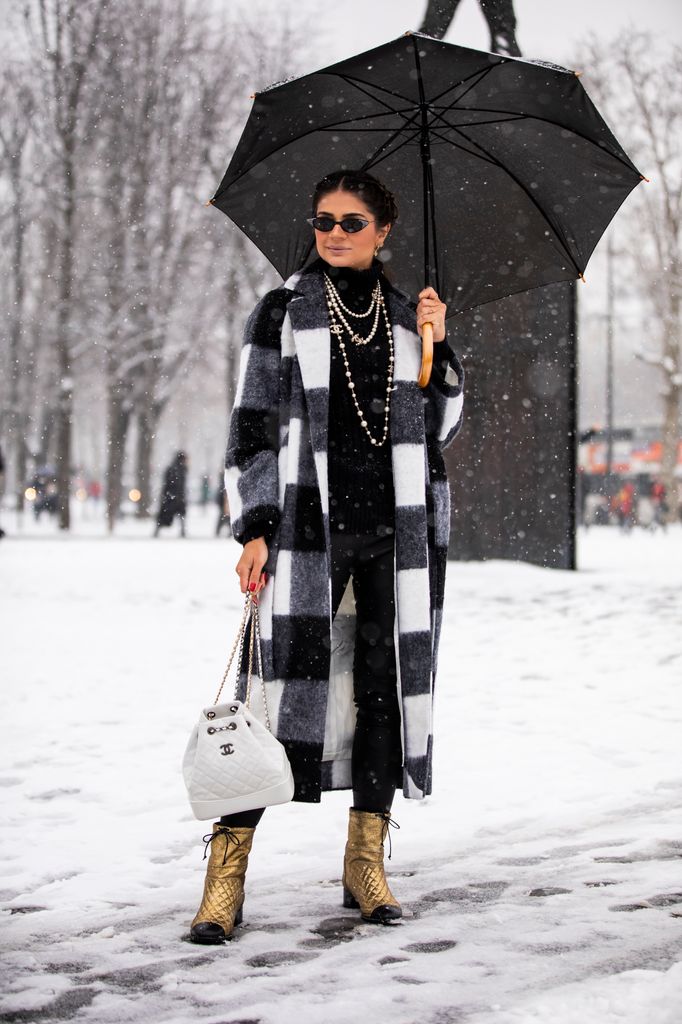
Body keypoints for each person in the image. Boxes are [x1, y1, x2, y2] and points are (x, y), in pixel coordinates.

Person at [189, 169, 465, 943]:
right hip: (306, 532)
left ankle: (365, 862)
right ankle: (226, 875)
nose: (334, 232)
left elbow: (440, 428)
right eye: (323, 220)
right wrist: (253, 524)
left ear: (384, 232)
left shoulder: (413, 317)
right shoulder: (283, 311)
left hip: (395, 533)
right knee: (277, 698)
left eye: (352, 221)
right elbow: (252, 425)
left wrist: (439, 350)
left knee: (383, 690)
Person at [154, 451, 188, 537]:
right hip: (174, 497)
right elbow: (176, 484)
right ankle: (182, 531)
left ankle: (182, 531)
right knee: (173, 515)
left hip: (171, 497)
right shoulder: (179, 469)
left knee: (166, 515)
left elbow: (167, 483)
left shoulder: (176, 468)